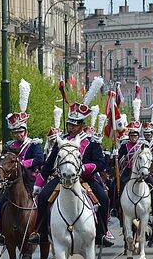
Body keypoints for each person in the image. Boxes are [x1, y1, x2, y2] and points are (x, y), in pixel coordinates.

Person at [32, 94, 115, 247]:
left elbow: (100, 163)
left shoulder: (91, 141)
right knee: (43, 197)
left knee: (104, 199)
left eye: (75, 125)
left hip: (86, 178)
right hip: (63, 178)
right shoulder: (61, 140)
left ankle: (102, 233)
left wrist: (84, 168)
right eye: (70, 124)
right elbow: (49, 164)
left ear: (82, 125)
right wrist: (38, 183)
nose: (71, 128)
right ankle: (40, 232)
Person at [0, 85, 44, 246]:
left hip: (31, 179)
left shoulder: (34, 144)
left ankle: (41, 230)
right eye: (16, 132)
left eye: (21, 131)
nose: (19, 135)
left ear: (25, 130)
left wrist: (22, 164)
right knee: (3, 203)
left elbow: (39, 159)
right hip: (13, 180)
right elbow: (2, 160)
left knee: (43, 201)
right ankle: (2, 233)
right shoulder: (10, 146)